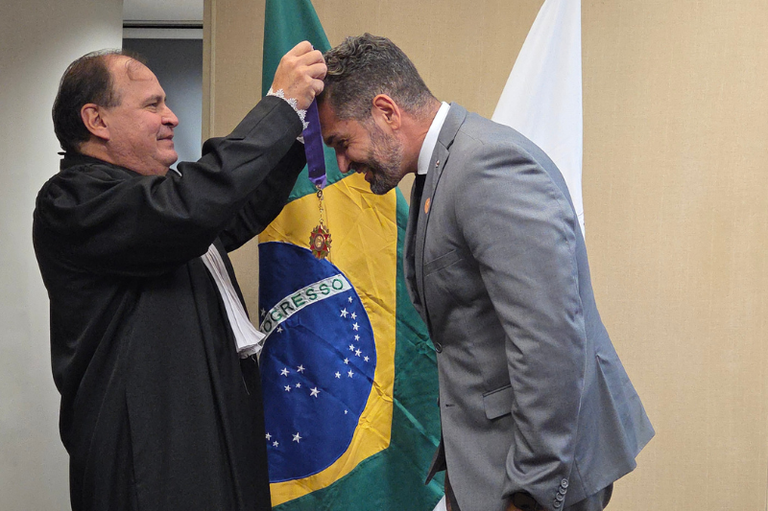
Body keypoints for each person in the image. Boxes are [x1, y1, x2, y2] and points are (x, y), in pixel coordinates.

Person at [317, 34, 654, 511]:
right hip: (491, 460)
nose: (344, 164)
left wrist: (531, 493)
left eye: (343, 143)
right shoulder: (440, 171)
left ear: (386, 111)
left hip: (536, 472)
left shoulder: (485, 167)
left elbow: (548, 341)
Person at [33, 42, 326, 511]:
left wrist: (296, 133)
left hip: (212, 442)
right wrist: (279, 108)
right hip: (148, 465)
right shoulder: (71, 200)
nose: (172, 117)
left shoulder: (162, 207)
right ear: (97, 121)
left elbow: (230, 211)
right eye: (153, 105)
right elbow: (190, 210)